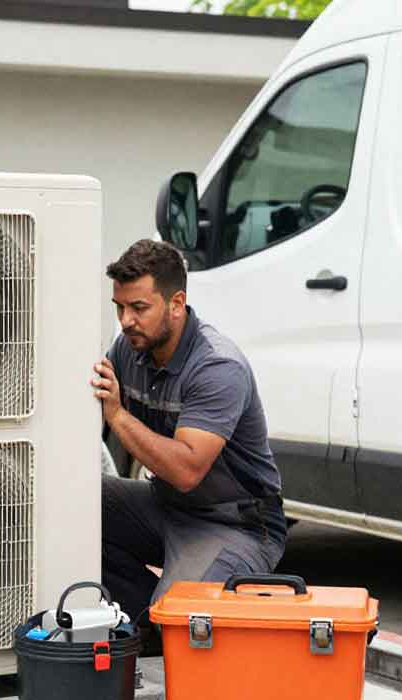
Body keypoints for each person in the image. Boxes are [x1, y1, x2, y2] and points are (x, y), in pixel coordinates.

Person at [92, 239, 289, 642]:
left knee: (182, 623)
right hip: (167, 507)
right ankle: (143, 621)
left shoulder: (217, 366)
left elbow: (185, 470)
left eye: (139, 308)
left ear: (177, 303)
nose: (126, 320)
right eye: (120, 308)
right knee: (74, 506)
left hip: (236, 524)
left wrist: (117, 414)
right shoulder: (130, 349)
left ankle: (162, 624)